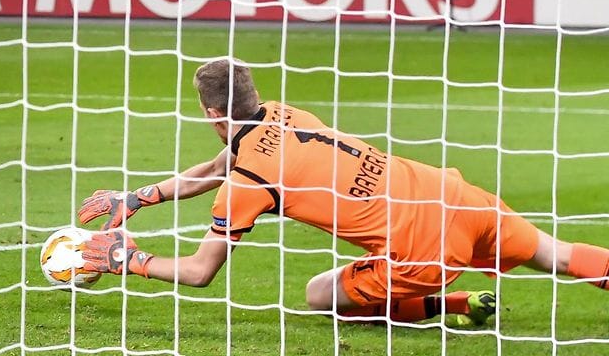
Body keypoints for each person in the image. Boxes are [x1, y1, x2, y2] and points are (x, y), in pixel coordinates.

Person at [77, 59, 609, 326]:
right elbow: (218, 166)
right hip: (452, 195)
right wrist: (140, 197)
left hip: (423, 250)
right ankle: (467, 301)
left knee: (318, 294)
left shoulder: (249, 184)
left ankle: (447, 302)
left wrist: (131, 260)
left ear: (212, 114)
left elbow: (199, 272)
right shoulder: (284, 114)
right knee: (558, 255)